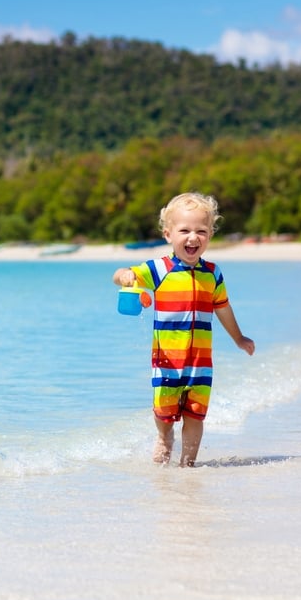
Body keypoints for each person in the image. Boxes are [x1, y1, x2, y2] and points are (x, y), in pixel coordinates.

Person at [113, 192, 255, 467]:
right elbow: (118, 274)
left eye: (201, 231)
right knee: (164, 411)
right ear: (168, 235)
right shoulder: (158, 269)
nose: (193, 237)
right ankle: (164, 438)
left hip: (200, 364)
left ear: (210, 235)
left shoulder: (212, 273)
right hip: (167, 361)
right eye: (184, 230)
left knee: (196, 414)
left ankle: (188, 465)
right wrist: (126, 276)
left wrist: (238, 338)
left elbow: (223, 308)